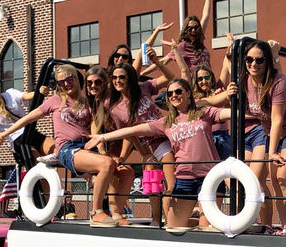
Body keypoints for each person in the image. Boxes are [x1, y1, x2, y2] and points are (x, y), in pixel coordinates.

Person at [85, 78, 237, 228]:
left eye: (178, 91)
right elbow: (133, 130)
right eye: (169, 93)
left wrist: (257, 113)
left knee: (206, 230)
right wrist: (103, 137)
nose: (174, 95)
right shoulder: (167, 122)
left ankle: (210, 224)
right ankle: (210, 223)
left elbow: (233, 113)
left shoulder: (204, 112)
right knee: (173, 226)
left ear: (189, 93)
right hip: (185, 179)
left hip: (209, 177)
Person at [0, 64, 118, 227]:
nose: (66, 84)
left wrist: (100, 148)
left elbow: (94, 125)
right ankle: (97, 212)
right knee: (106, 164)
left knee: (121, 169)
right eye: (61, 82)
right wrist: (4, 133)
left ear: (75, 78)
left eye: (69, 79)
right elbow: (29, 118)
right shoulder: (56, 100)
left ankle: (118, 213)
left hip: (86, 146)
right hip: (67, 149)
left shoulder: (86, 101)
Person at [242, 40, 286, 235]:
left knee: (283, 177)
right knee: (274, 180)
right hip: (272, 131)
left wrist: (271, 152)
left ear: (267, 62)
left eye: (259, 60)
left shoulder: (279, 82)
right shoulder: (246, 80)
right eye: (249, 59)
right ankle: (285, 226)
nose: (253, 64)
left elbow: (277, 119)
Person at [108, 46, 185, 223]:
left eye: (122, 77)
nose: (118, 81)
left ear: (130, 79)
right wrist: (142, 152)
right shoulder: (116, 108)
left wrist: (157, 61)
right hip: (152, 145)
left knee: (171, 182)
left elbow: (171, 79)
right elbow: (129, 134)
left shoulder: (143, 88)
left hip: (169, 134)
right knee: (152, 181)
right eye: (114, 78)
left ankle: (174, 217)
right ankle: (157, 219)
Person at [85, 66, 134, 219]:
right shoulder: (94, 102)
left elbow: (129, 129)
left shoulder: (111, 103)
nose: (93, 86)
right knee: (110, 170)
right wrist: (101, 150)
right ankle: (111, 212)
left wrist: (123, 156)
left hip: (121, 143)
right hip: (103, 146)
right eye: (89, 83)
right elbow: (94, 125)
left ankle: (116, 212)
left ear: (105, 83)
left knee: (124, 172)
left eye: (98, 82)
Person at [142, 0, 216, 76]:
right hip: (195, 85)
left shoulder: (199, 39)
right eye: (190, 28)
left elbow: (206, 16)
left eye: (196, 28)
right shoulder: (182, 46)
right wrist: (143, 73)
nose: (193, 30)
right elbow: (164, 60)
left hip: (208, 81)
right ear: (185, 30)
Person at [0, 76, 55, 161]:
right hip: (17, 140)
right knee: (35, 158)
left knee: (58, 150)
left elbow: (27, 96)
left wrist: (39, 92)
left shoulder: (10, 94)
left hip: (30, 133)